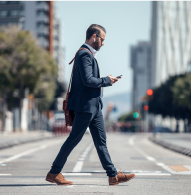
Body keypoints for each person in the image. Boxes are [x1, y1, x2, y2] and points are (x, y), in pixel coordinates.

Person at [45, 24, 135, 185]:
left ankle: (113, 175)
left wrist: (106, 81)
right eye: (102, 39)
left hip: (95, 107)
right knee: (74, 139)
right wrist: (107, 80)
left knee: (101, 141)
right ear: (94, 37)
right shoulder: (84, 55)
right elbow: (88, 81)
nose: (103, 43)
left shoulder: (88, 55)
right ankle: (54, 172)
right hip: (86, 107)